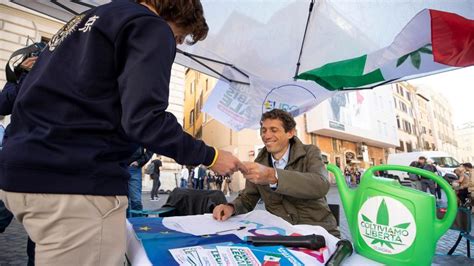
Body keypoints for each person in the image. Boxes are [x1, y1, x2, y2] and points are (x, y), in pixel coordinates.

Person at [0, 1, 246, 264]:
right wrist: (210, 155)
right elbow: (146, 120)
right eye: (180, 36)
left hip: (21, 173)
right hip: (77, 183)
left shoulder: (86, 21)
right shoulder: (150, 26)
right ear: (179, 14)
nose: (177, 44)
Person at [213, 109, 339, 237]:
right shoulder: (259, 161)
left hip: (318, 232)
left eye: (274, 130)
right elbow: (248, 198)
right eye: (263, 130)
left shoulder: (310, 152)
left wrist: (273, 176)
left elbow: (320, 185)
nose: (266, 136)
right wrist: (231, 207)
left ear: (290, 133)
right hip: (283, 234)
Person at [127, 146, 153, 216]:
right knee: (121, 201)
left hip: (133, 168)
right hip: (118, 167)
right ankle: (123, 225)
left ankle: (137, 224)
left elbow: (151, 146)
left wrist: (140, 161)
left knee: (136, 201)